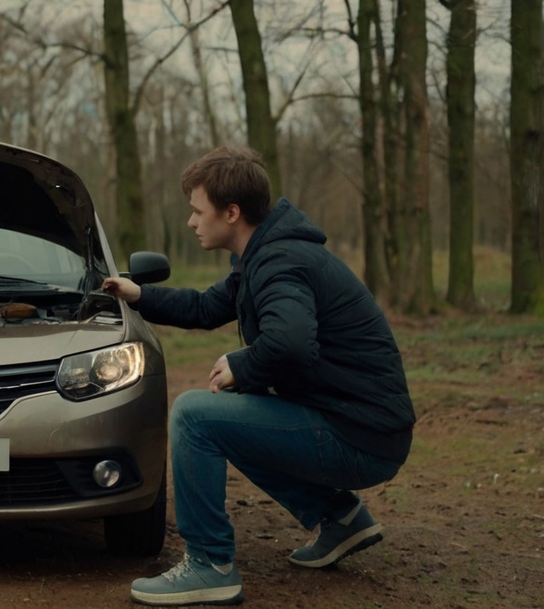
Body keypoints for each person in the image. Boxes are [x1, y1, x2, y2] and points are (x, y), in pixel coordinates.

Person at [101, 146, 416, 606]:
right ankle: (341, 519)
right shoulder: (263, 255)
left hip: (360, 436)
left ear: (231, 212)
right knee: (227, 417)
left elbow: (291, 343)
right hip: (360, 426)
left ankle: (209, 564)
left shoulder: (279, 263)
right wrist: (139, 295)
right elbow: (206, 307)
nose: (191, 221)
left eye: (198, 211)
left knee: (194, 416)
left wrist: (241, 365)